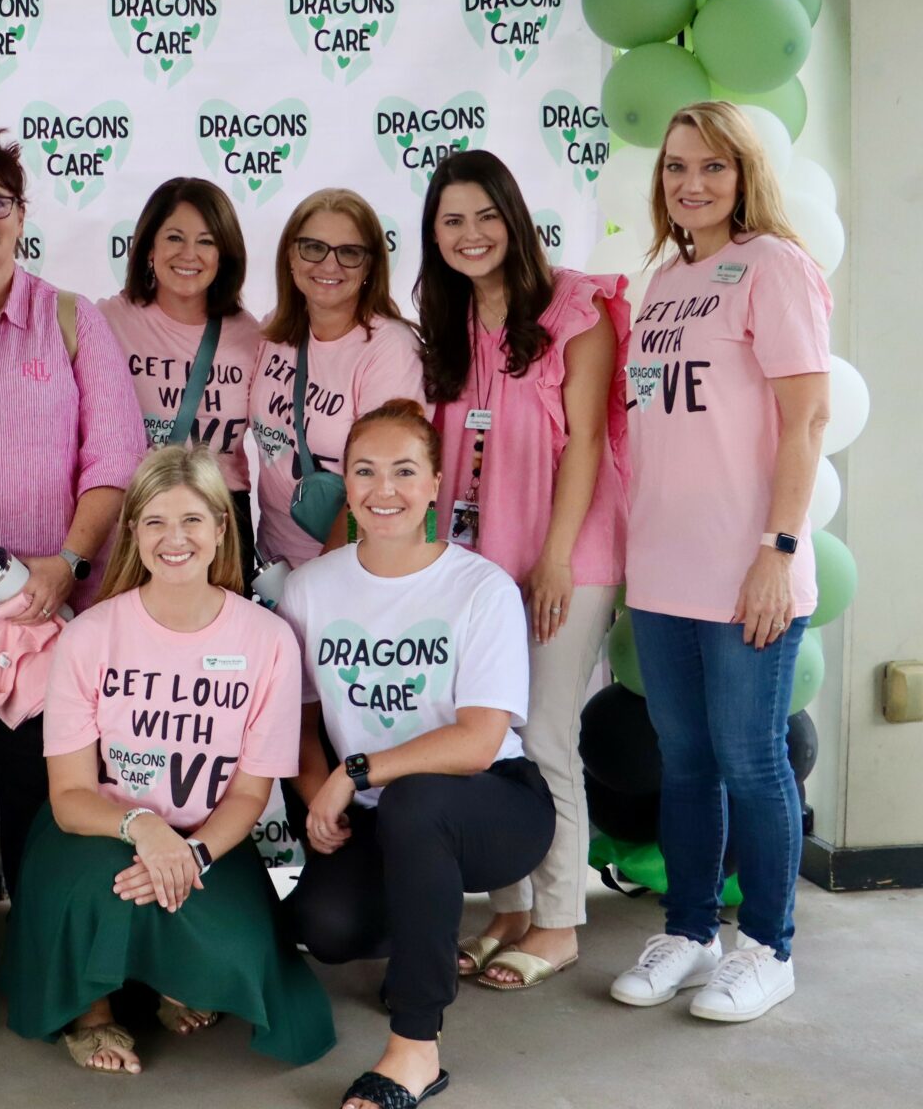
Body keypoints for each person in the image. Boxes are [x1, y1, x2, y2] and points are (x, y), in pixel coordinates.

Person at [3, 444, 334, 1074]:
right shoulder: (90, 635)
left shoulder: (267, 639)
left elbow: (249, 794)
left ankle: (167, 979)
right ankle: (93, 1013)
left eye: (191, 520)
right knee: (106, 888)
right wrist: (144, 828)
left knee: (237, 953)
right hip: (96, 832)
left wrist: (192, 855)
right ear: (132, 531)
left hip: (208, 839)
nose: (173, 539)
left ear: (221, 528)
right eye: (155, 521)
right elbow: (70, 797)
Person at [0, 126, 145, 993]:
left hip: (40, 616)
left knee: (40, 784)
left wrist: (67, 563)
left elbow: (113, 461)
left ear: (22, 213)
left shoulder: (71, 320)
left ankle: (51, 939)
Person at [608, 102, 831, 1024]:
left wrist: (778, 551)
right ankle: (691, 932)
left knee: (751, 760)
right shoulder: (665, 279)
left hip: (749, 569)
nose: (690, 183)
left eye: (712, 166)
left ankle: (768, 948)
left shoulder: (773, 266)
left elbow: (808, 418)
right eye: (675, 166)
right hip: (663, 570)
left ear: (745, 176)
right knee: (687, 762)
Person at [278, 399, 553, 1109]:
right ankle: (419, 927)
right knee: (327, 927)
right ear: (345, 483)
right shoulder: (310, 589)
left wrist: (355, 772)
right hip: (378, 814)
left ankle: (415, 1046)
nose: (385, 489)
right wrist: (321, 801)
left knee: (415, 799)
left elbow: (478, 741)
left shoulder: (480, 587)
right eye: (365, 471)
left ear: (435, 483)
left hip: (495, 804)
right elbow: (297, 727)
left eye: (404, 471)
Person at [411, 150, 630, 990]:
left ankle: (560, 918)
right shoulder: (451, 322)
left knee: (543, 734)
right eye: (451, 221)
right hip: (477, 566)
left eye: (485, 216)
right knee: (490, 738)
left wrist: (556, 559)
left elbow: (586, 444)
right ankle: (507, 908)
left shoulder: (577, 308)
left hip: (564, 558)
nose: (471, 235)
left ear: (515, 218)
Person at [98, 177, 264, 585]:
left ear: (224, 254)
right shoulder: (106, 321)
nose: (189, 254)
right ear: (148, 248)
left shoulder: (253, 337)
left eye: (206, 241)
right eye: (174, 237)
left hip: (221, 518)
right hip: (139, 516)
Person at [250, 189, 426, 573]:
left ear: (369, 266)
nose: (330, 264)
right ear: (290, 256)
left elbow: (384, 486)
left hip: (354, 568)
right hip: (273, 562)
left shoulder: (390, 350)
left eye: (349, 252)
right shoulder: (273, 331)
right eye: (313, 248)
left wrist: (320, 581)